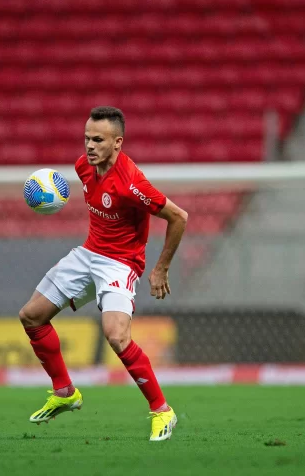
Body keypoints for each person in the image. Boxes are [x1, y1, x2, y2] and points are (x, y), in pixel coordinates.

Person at [18, 106, 189, 441]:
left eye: (98, 140)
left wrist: (160, 267)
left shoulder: (132, 184)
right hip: (88, 253)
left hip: (120, 262)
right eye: (86, 138)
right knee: (31, 316)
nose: (89, 146)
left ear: (118, 143)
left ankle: (162, 411)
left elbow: (179, 216)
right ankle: (65, 392)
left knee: (116, 335)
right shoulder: (83, 167)